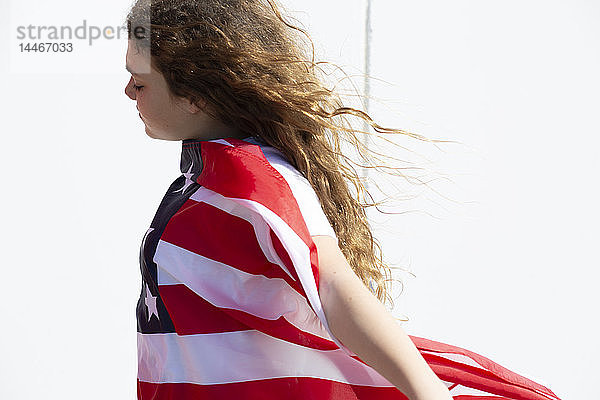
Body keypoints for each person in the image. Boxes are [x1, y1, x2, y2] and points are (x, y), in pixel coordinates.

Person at [124, 1, 562, 399]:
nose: (128, 92)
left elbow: (333, 285)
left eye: (140, 83)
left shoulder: (253, 180)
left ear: (195, 94)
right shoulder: (206, 176)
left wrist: (429, 394)